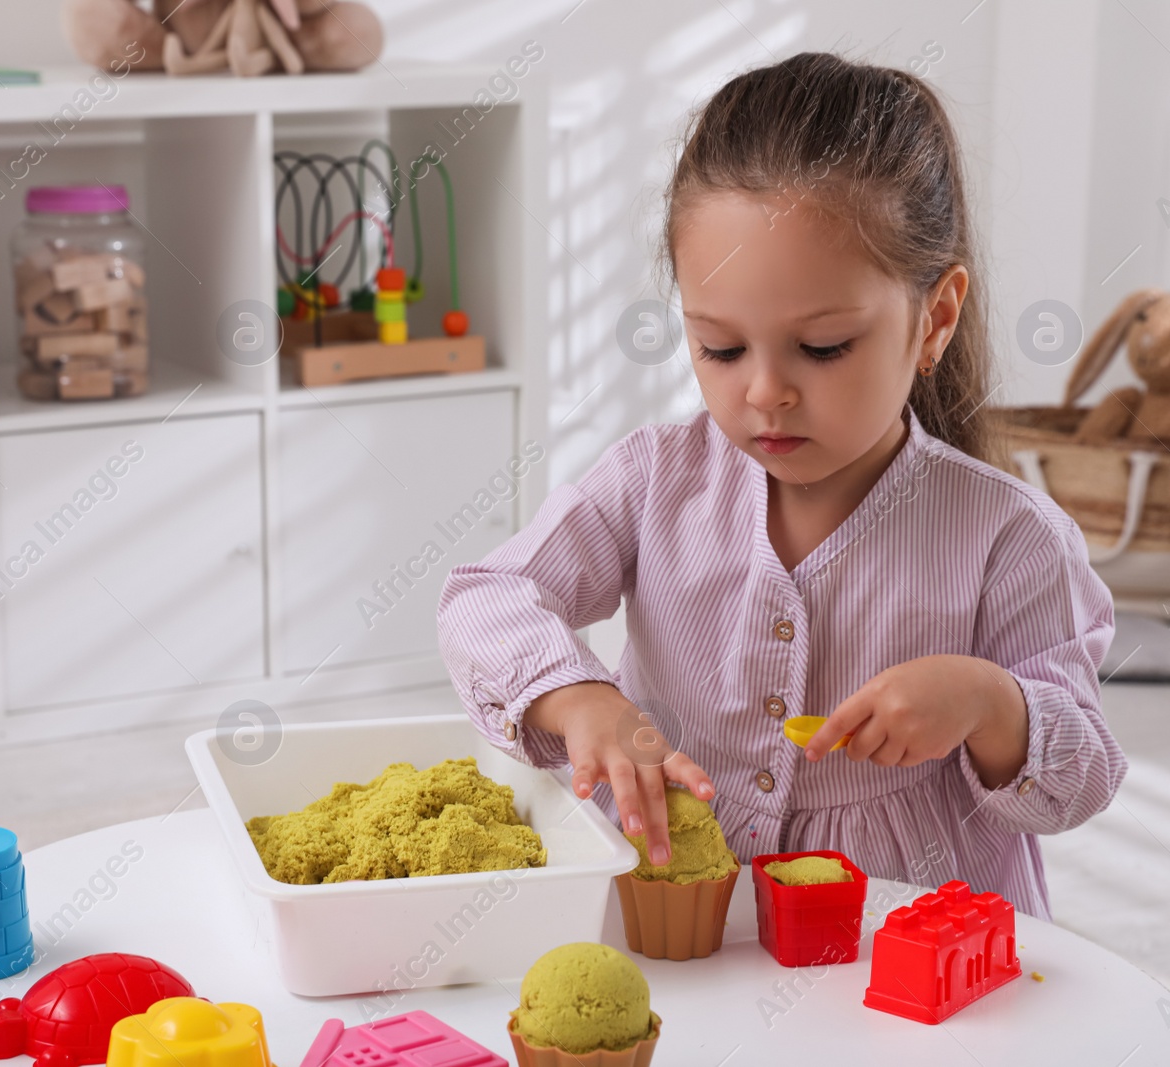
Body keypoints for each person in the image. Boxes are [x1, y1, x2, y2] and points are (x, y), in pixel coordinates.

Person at [436, 52, 1126, 920]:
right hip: (668, 913)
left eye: (825, 346)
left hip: (907, 935)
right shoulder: (654, 480)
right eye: (720, 349)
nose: (764, 393)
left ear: (935, 320)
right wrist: (578, 699)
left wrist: (991, 704)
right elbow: (486, 597)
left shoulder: (1007, 533)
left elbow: (1084, 777)